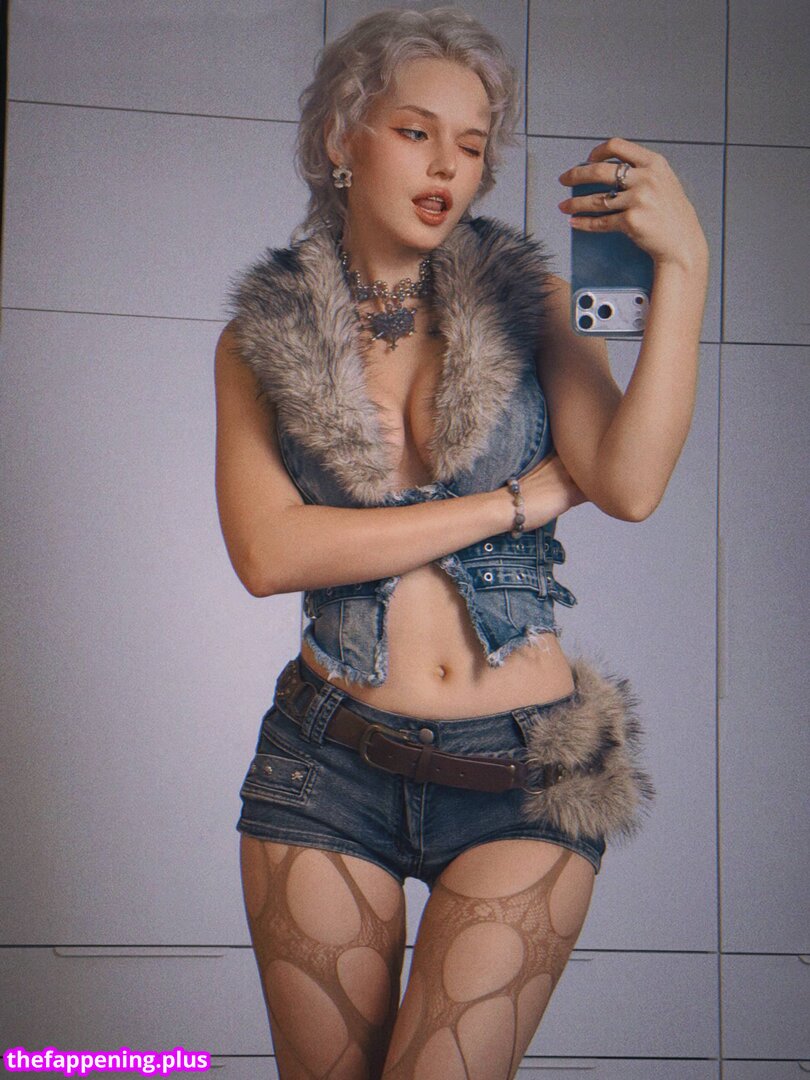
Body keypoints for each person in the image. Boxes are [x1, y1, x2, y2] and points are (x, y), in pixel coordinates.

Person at [214, 7, 709, 1077]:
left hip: (524, 771)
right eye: (416, 132)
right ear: (340, 138)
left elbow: (627, 485)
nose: (448, 165)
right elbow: (269, 554)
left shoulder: (532, 303)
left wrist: (685, 269)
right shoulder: (260, 335)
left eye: (473, 145)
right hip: (325, 763)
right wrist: (509, 505)